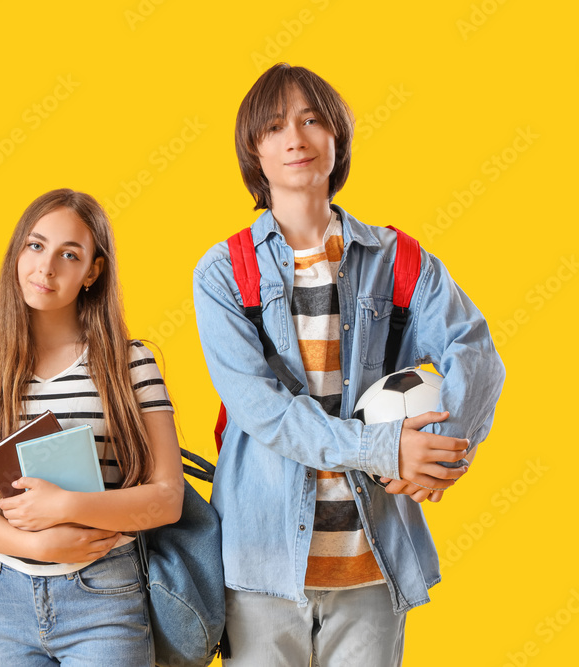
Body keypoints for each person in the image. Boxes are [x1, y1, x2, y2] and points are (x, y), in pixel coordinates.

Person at [192, 64, 505, 665]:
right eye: (276, 125)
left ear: (337, 140)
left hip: (372, 557)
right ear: (253, 152)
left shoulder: (398, 259)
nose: (296, 137)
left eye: (312, 120)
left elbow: (475, 352)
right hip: (263, 563)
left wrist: (439, 452)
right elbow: (264, 410)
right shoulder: (225, 273)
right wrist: (385, 449)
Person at [0, 188, 184, 666]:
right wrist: (36, 544)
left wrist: (67, 505)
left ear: (92, 271)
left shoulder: (132, 363)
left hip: (105, 591)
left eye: (69, 255)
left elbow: (168, 497)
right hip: (0, 595)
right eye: (35, 246)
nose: (45, 268)